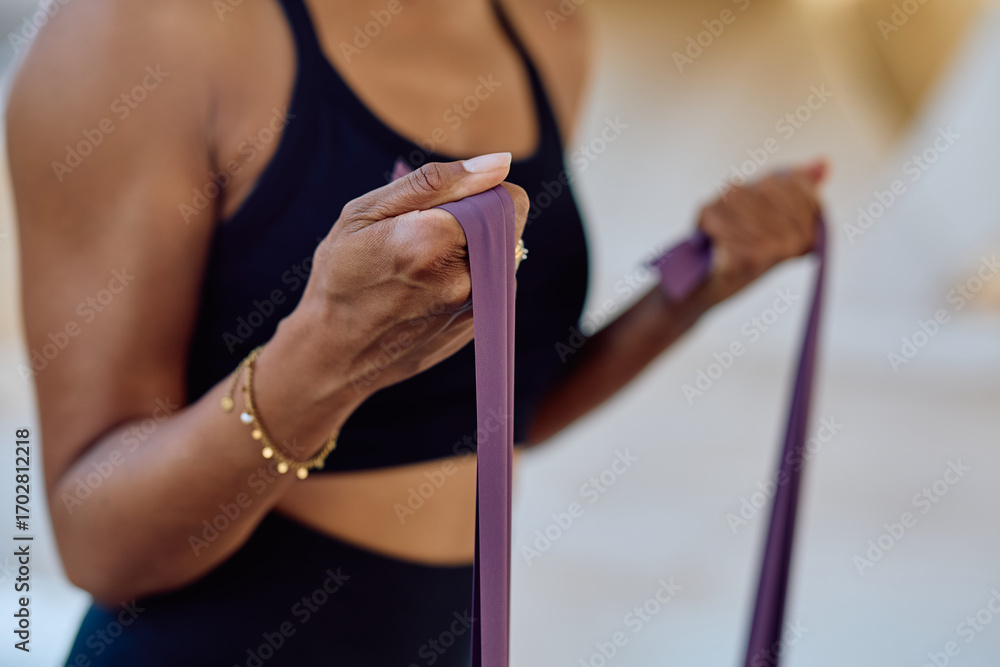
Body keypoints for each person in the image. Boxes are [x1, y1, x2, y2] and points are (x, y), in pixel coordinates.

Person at [6, 0, 825, 664]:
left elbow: (492, 414)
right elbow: (97, 544)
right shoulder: (139, 28)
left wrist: (689, 293)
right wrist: (322, 355)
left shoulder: (548, 30)